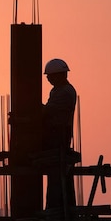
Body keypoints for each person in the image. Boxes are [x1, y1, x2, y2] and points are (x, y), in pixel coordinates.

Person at [42, 58, 77, 210]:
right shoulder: (57, 90)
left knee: (57, 172)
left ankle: (55, 206)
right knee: (55, 172)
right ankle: (55, 204)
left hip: (60, 133)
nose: (48, 80)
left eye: (49, 77)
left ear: (58, 75)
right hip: (55, 131)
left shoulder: (65, 92)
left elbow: (50, 110)